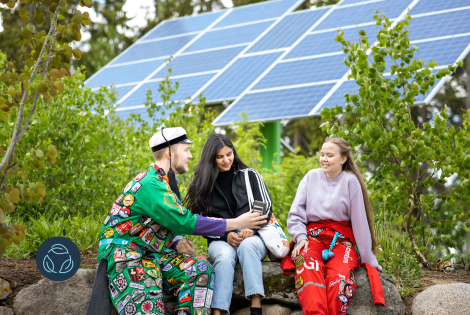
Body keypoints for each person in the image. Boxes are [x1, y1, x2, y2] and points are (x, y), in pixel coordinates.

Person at [96, 127, 267, 315]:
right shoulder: (150, 184)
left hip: (155, 254)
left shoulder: (167, 183)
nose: (191, 156)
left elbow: (168, 222)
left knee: (201, 270)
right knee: (148, 310)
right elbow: (184, 221)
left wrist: (177, 243)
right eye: (186, 150)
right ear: (170, 152)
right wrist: (237, 223)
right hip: (128, 256)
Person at [284, 138, 383, 315]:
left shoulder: (350, 181)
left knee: (339, 277)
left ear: (343, 159)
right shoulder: (311, 177)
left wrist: (368, 258)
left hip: (341, 241)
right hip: (312, 237)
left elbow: (360, 224)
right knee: (307, 266)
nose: (324, 159)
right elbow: (296, 214)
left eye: (330, 155)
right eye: (322, 155)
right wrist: (300, 237)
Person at [184, 134, 273, 315]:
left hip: (253, 237)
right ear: (211, 159)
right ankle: (218, 311)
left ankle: (256, 306)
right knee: (224, 256)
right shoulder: (204, 184)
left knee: (248, 246)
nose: (226, 160)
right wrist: (226, 235)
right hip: (220, 239)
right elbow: (201, 222)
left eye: (229, 154)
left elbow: (264, 206)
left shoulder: (249, 176)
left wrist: (251, 229)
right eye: (220, 157)